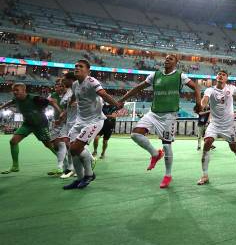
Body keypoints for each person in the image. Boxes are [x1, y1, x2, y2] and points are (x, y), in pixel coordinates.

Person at [119, 54, 201, 189]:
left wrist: (199, 103)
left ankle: (168, 175)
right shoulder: (155, 75)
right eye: (166, 58)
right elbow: (138, 87)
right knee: (135, 134)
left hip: (169, 115)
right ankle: (155, 154)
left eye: (171, 59)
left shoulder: (180, 76)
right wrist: (122, 99)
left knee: (167, 146)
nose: (167, 60)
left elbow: (196, 87)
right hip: (153, 112)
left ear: (176, 63)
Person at [62, 60, 123, 190]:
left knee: (75, 149)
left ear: (88, 71)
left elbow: (102, 94)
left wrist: (116, 104)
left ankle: (89, 174)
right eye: (76, 66)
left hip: (95, 121)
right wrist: (66, 111)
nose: (77, 68)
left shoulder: (91, 81)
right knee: (72, 151)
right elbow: (74, 97)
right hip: (80, 121)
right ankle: (79, 179)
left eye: (80, 66)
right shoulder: (74, 85)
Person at [0, 83, 61, 175]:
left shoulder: (35, 98)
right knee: (13, 141)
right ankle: (15, 166)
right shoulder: (16, 99)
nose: (15, 92)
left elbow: (51, 102)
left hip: (41, 124)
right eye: (13, 90)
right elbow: (11, 102)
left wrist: (60, 113)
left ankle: (64, 162)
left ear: (24, 90)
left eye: (17, 90)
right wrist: (1, 107)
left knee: (49, 145)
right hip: (27, 124)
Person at [198, 70, 236, 185]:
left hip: (228, 126)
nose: (221, 75)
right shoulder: (210, 90)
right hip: (214, 124)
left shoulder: (231, 88)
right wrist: (202, 105)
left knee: (234, 148)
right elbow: (205, 99)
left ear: (226, 79)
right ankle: (205, 175)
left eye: (223, 75)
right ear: (216, 77)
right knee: (207, 142)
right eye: (219, 74)